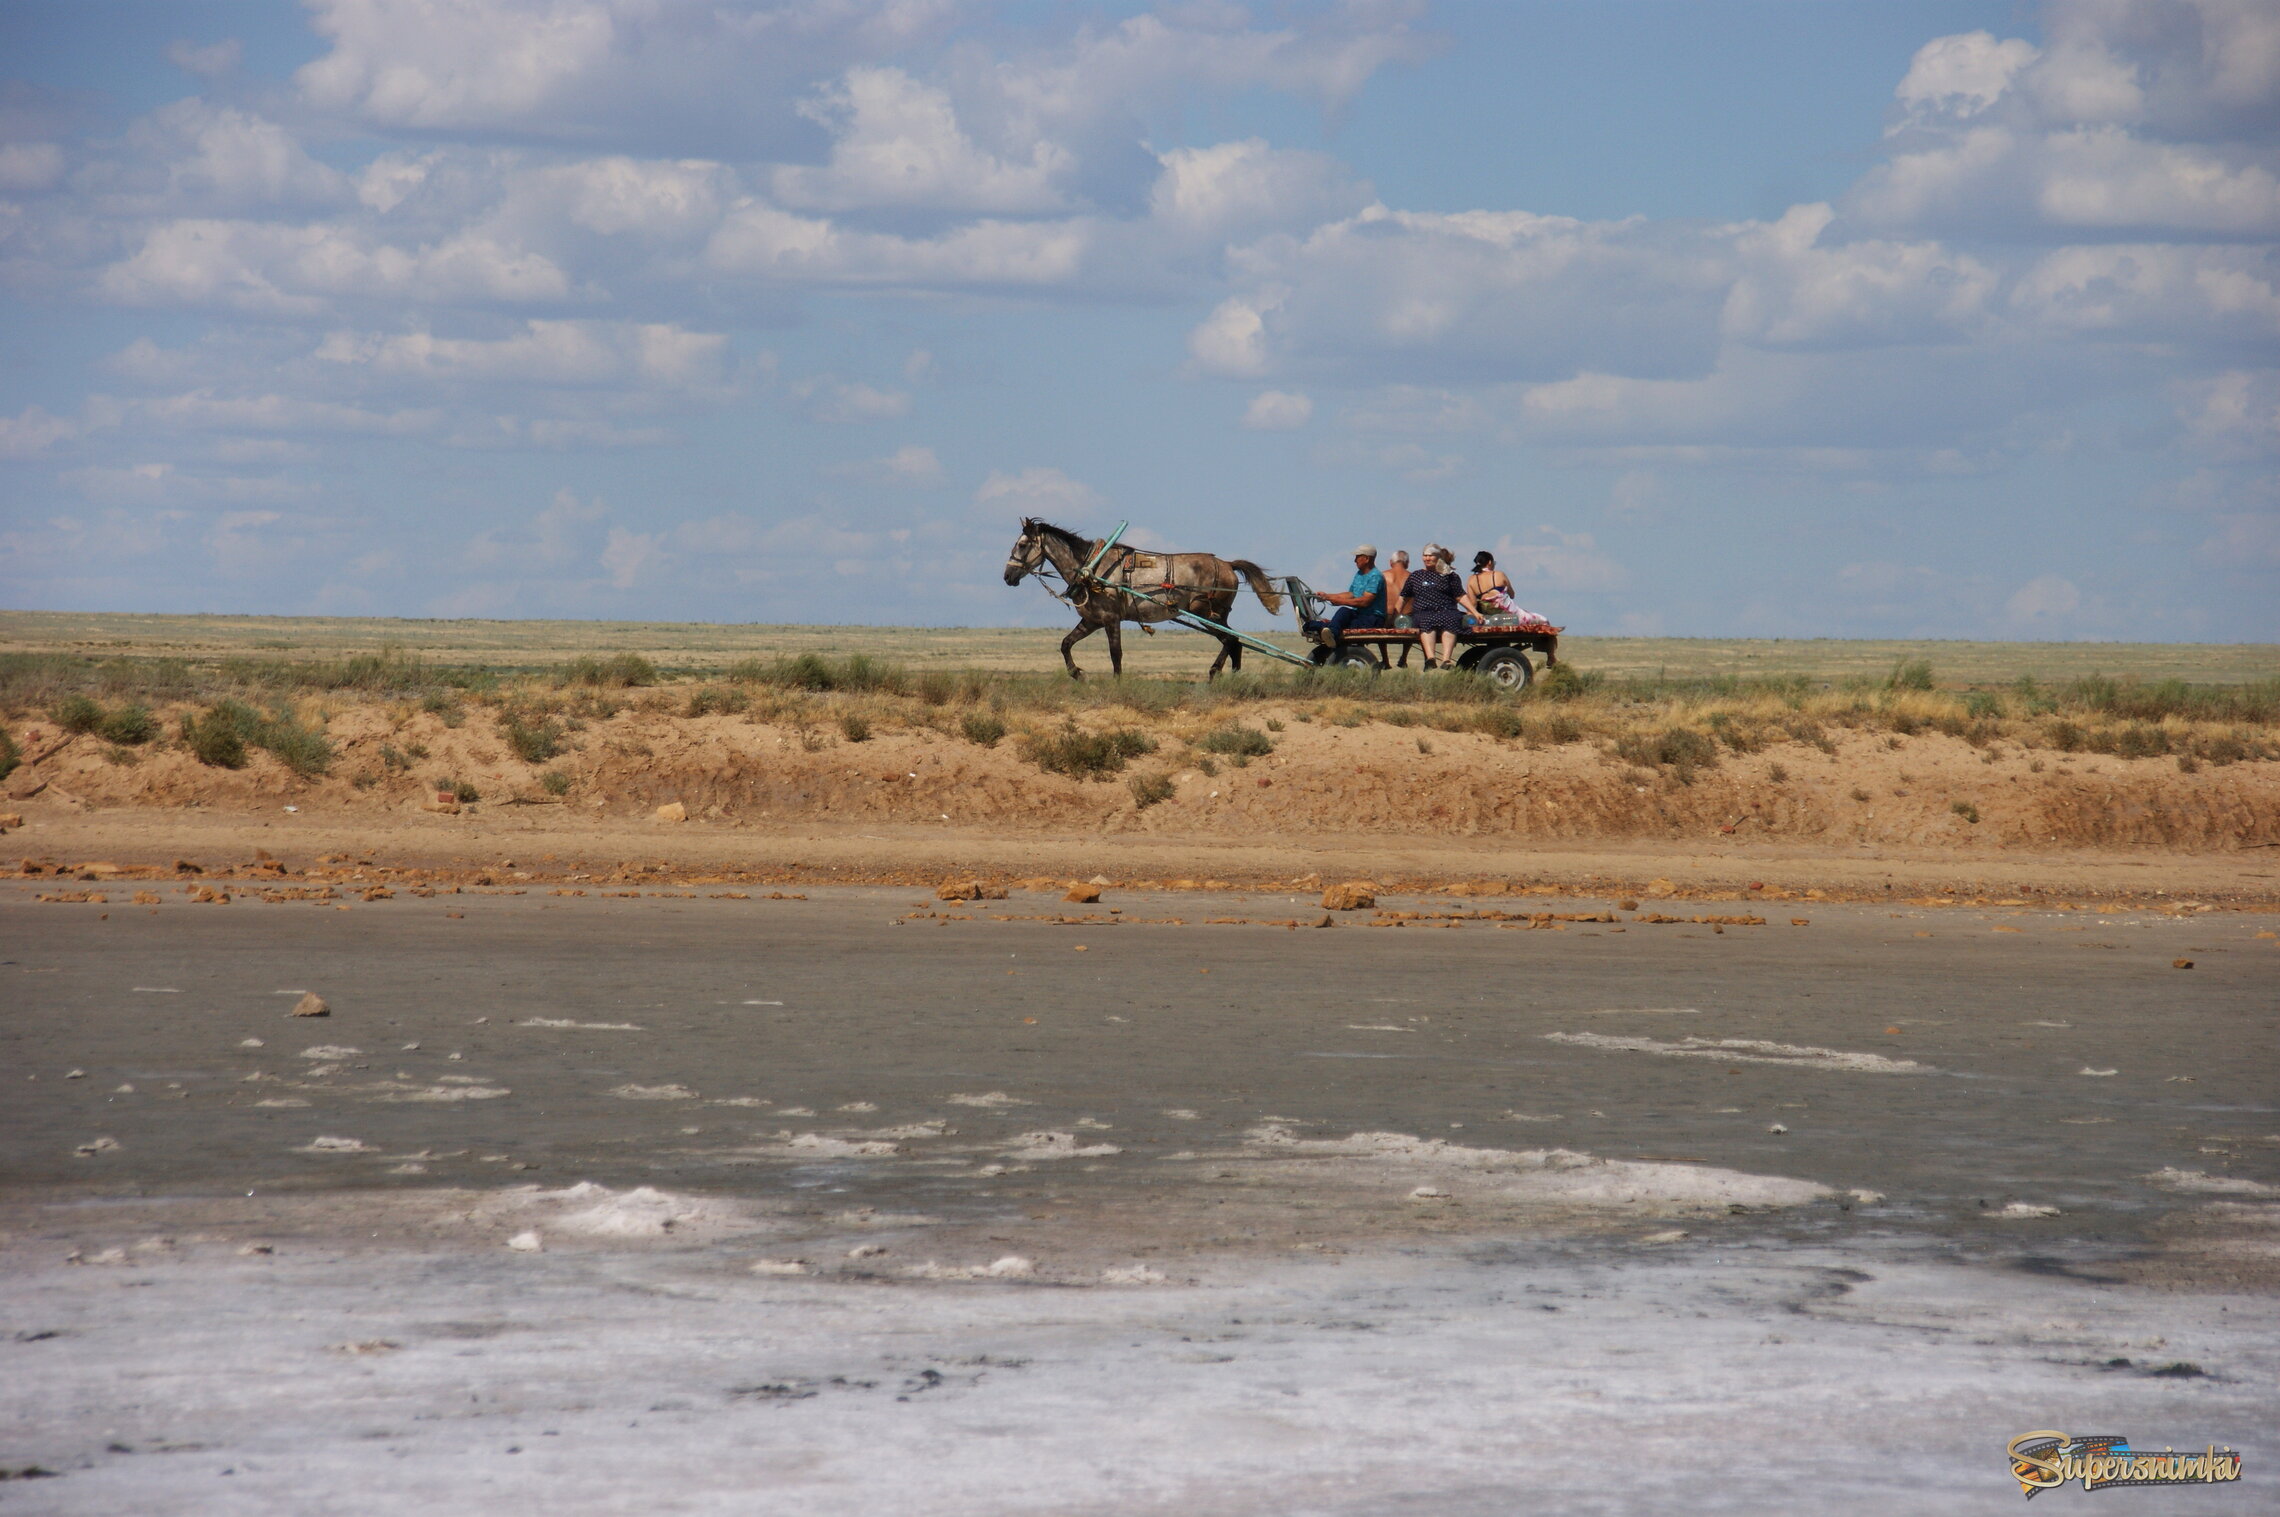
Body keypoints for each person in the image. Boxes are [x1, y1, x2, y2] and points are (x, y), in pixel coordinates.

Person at [1405, 543, 1473, 669]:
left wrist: (1474, 611)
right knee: (1425, 621)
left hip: (1446, 610)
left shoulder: (1450, 576)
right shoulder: (1416, 576)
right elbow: (1403, 596)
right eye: (1425, 555)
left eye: (1430, 556)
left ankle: (1446, 660)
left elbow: (1460, 595)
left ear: (1438, 557)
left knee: (1451, 620)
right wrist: (1397, 615)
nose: (1427, 558)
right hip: (1423, 611)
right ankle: (1431, 658)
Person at [1309, 544, 1387, 645]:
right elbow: (1351, 594)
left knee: (1341, 614)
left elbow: (1365, 602)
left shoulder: (1375, 576)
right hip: (1359, 616)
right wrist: (1327, 596)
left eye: (1358, 557)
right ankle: (1327, 631)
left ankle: (1331, 634)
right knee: (1342, 613)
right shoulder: (1359, 574)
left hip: (1371, 618)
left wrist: (1340, 601)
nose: (1355, 560)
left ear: (1367, 558)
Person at [1467, 551, 1516, 624]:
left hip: (1484, 617)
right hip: (1502, 615)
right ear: (1490, 562)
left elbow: (1473, 604)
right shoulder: (1499, 575)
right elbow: (1512, 595)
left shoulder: (1471, 580)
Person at [1385, 549, 1415, 667]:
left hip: (1388, 620)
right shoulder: (1413, 577)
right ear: (1407, 563)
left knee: (1382, 618)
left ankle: (1385, 659)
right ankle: (1404, 657)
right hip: (1406, 621)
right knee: (1411, 618)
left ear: (1390, 562)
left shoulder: (1383, 576)